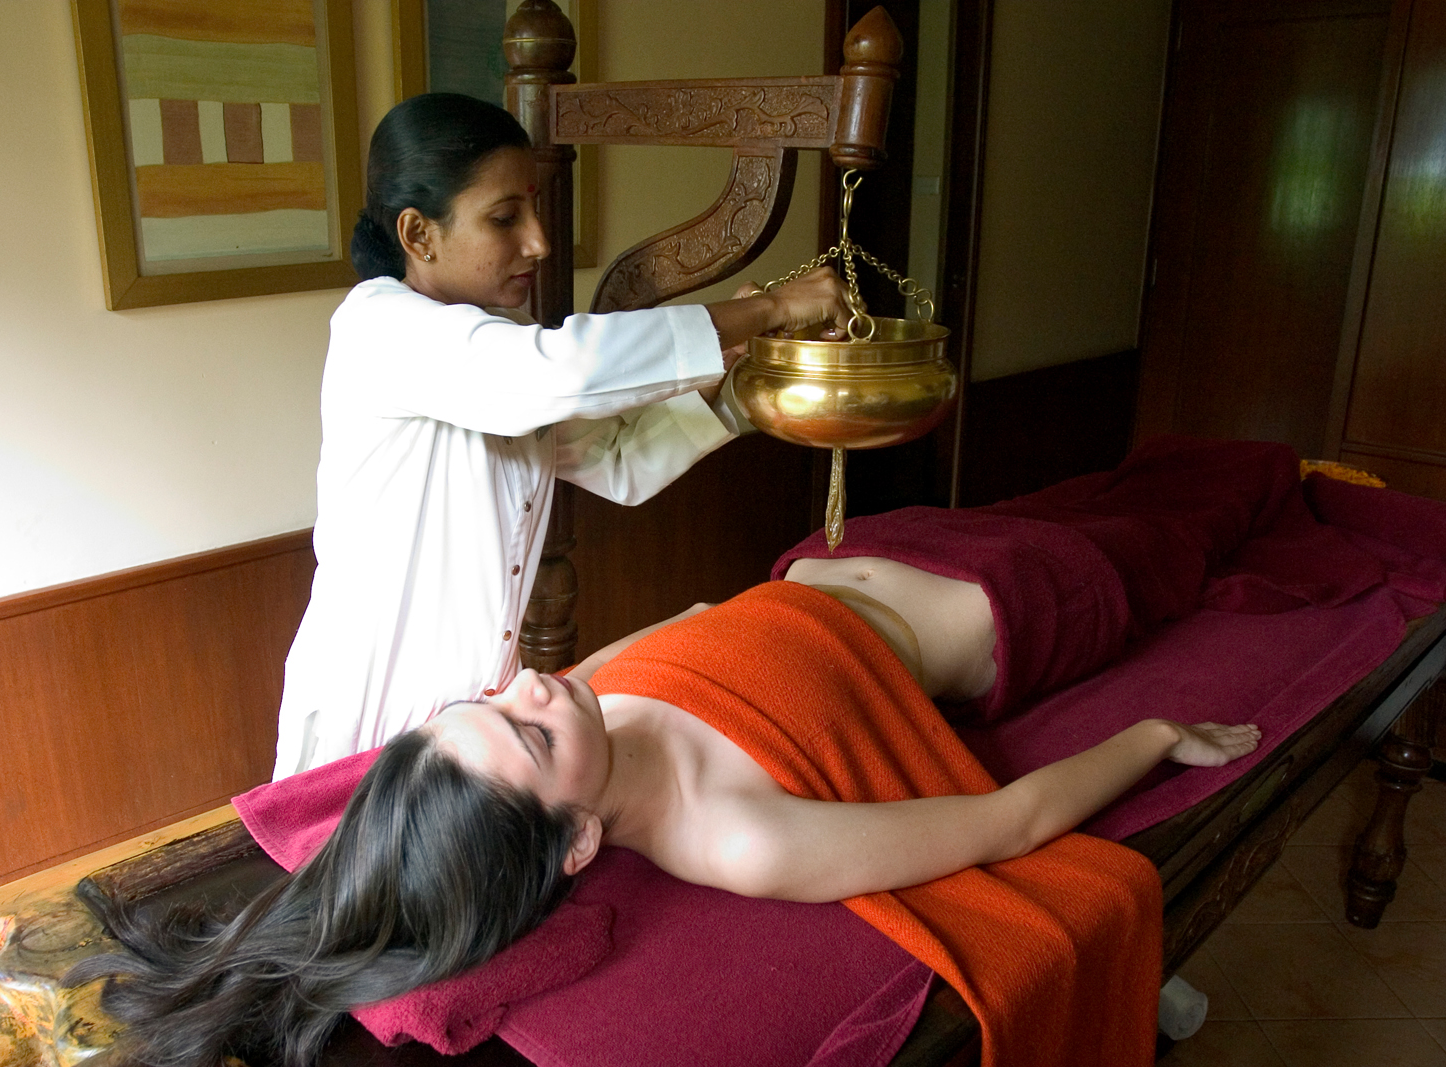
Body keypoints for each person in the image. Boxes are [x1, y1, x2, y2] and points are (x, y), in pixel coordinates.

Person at [69, 564, 1259, 1067]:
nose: (527, 679)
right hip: (1005, 612)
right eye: (525, 730)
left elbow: (702, 614)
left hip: (833, 555)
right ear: (580, 841)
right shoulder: (736, 835)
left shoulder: (582, 708)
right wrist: (1154, 738)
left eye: (486, 701)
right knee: (1206, 522)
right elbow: (1003, 826)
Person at [274, 92, 853, 780]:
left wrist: (747, 383)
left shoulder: (499, 360)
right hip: (368, 714)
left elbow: (617, 461)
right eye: (504, 217)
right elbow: (565, 370)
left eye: (533, 209)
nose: (539, 242)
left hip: (474, 728)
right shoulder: (382, 328)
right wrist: (767, 307)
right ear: (418, 234)